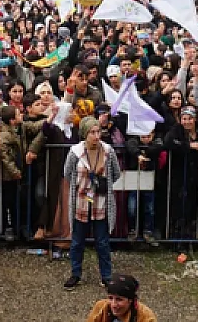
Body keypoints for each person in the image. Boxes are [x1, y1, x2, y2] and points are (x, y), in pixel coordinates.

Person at [64, 116, 122, 291]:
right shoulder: (75, 152)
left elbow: (116, 174)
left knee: (102, 242)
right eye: (92, 132)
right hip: (81, 202)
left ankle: (106, 276)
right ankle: (75, 273)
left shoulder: (108, 151)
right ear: (84, 134)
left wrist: (103, 183)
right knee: (77, 241)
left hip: (101, 202)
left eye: (98, 132)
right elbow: (67, 173)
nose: (97, 136)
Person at [85, 274, 157, 322]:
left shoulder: (146, 316)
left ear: (130, 300)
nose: (113, 304)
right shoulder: (100, 306)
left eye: (119, 299)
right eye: (110, 298)